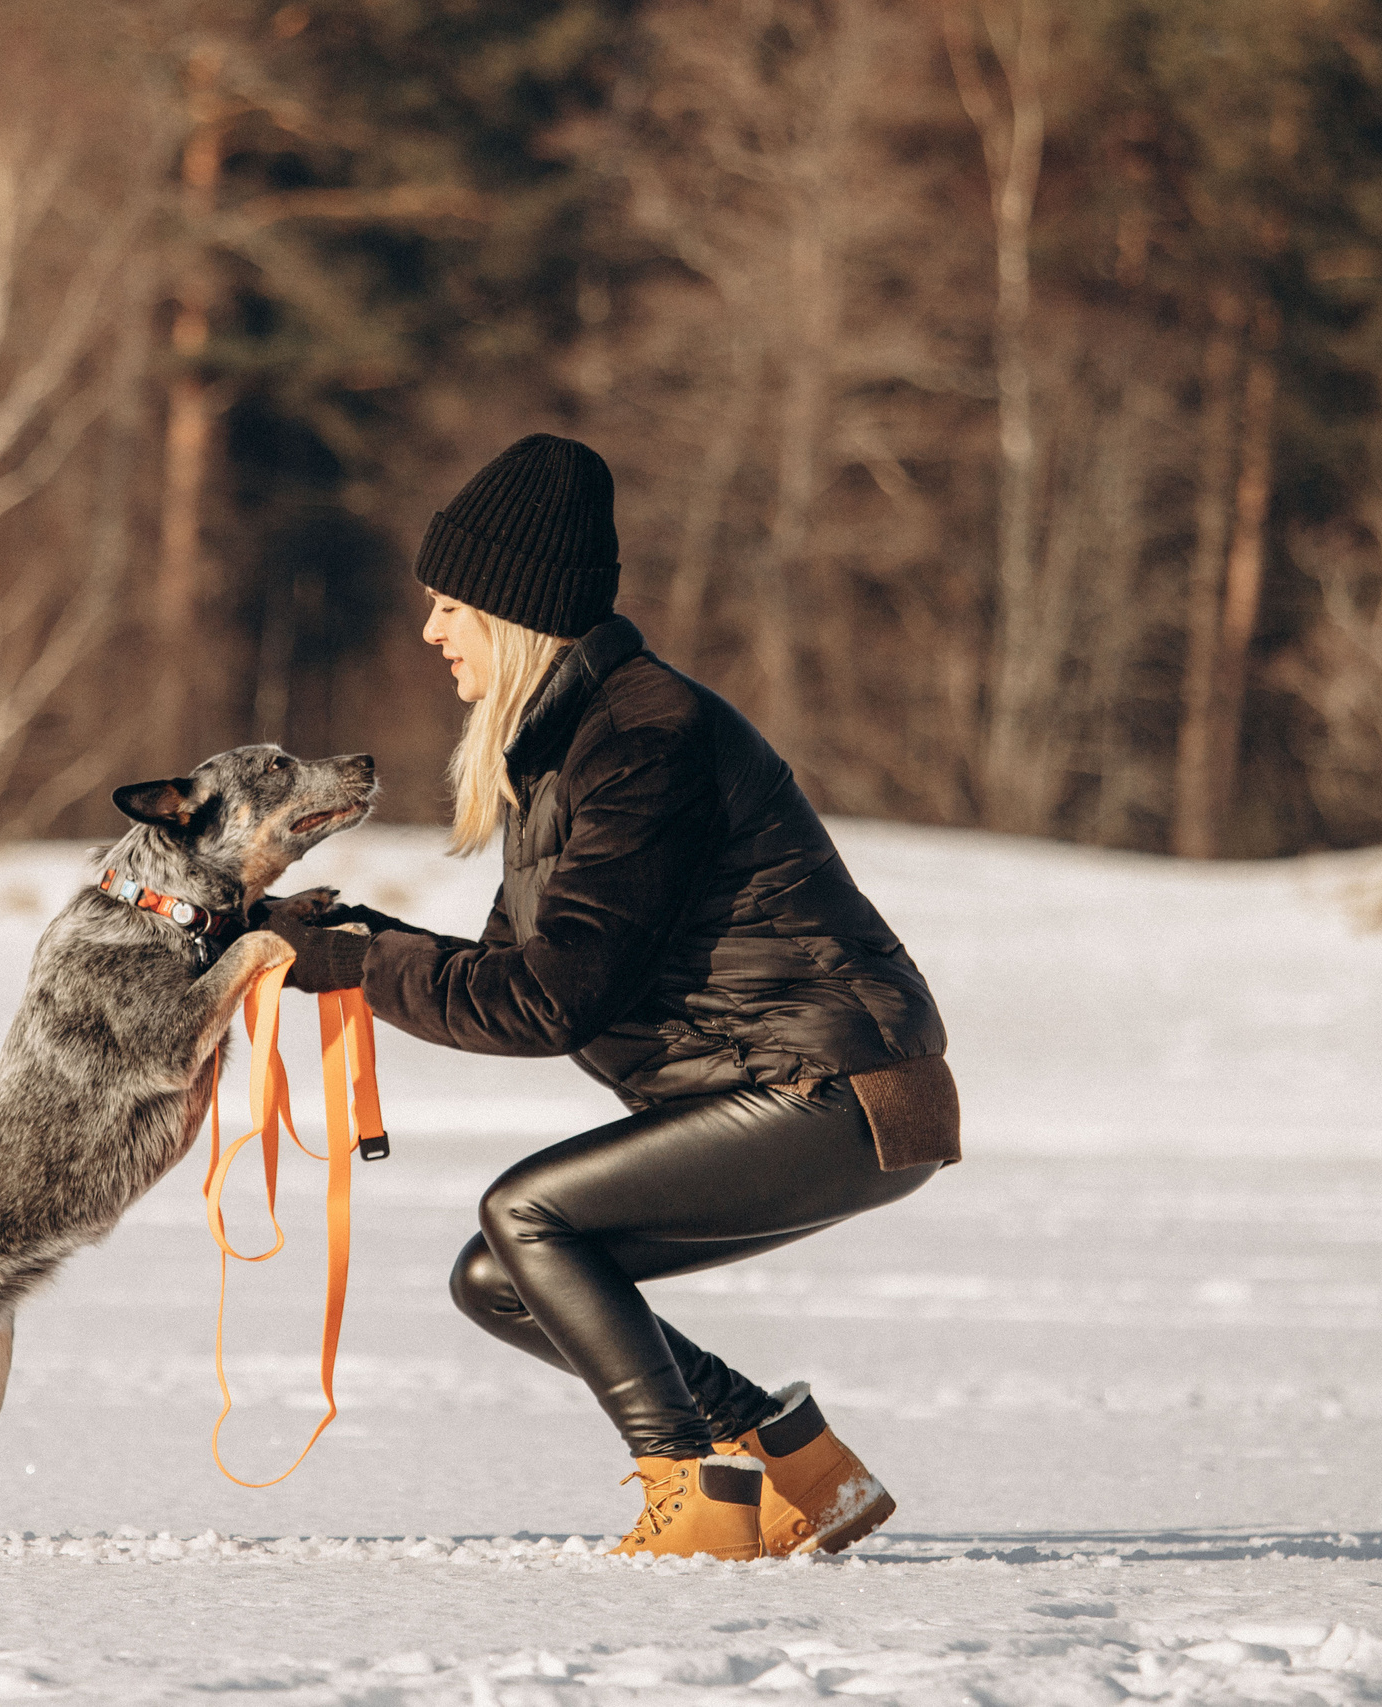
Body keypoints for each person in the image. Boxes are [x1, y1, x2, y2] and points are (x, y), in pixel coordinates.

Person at [262, 433, 961, 1562]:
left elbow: (553, 1004)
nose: (431, 631)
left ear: (512, 610)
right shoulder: (561, 752)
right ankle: (797, 1465)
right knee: (500, 1280)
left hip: (843, 1091)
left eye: (449, 606)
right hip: (804, 1086)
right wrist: (354, 943)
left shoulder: (646, 738)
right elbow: (509, 982)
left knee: (526, 1212)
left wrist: (356, 967)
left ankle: (691, 1497)